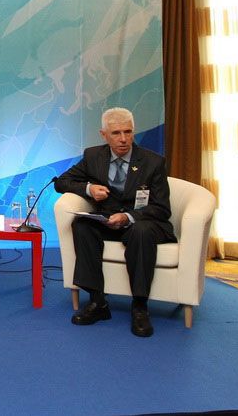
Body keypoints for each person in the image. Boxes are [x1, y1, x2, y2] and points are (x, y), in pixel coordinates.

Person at [54, 107, 175, 337]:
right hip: (107, 220)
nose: (123, 139)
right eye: (116, 133)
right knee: (82, 225)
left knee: (141, 231)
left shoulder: (153, 162)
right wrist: (89, 189)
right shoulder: (93, 156)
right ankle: (97, 302)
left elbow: (161, 208)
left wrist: (128, 217)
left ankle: (139, 306)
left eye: (128, 132)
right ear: (104, 135)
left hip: (141, 221)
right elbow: (61, 182)